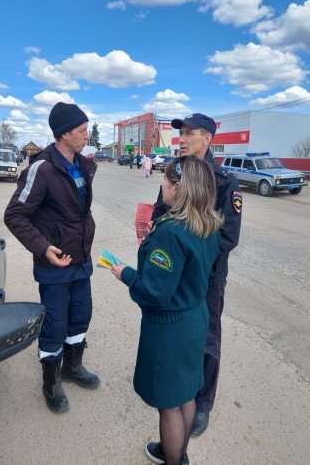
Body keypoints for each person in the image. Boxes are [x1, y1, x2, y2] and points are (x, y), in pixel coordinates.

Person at [111, 156, 224, 465]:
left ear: (178, 188)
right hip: (195, 317)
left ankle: (173, 458)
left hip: (171, 328)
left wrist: (126, 274)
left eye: (165, 181)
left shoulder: (171, 232)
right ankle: (179, 454)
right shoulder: (208, 223)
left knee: (169, 405)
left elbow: (154, 293)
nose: (162, 185)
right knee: (185, 393)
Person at [4, 101, 100, 414]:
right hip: (55, 265)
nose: (87, 135)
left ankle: (72, 367)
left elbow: (75, 205)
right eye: (82, 130)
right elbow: (15, 214)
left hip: (81, 261)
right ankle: (51, 381)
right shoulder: (41, 169)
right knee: (55, 325)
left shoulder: (83, 164)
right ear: (64, 133)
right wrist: (44, 247)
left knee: (80, 317)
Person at [152, 113, 242, 440]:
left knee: (206, 339)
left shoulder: (224, 181)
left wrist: (193, 264)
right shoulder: (175, 171)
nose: (183, 138)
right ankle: (181, 389)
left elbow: (228, 238)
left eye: (190, 133)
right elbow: (160, 214)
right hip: (175, 274)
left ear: (207, 139)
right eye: (181, 133)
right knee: (178, 334)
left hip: (207, 279)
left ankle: (202, 402)